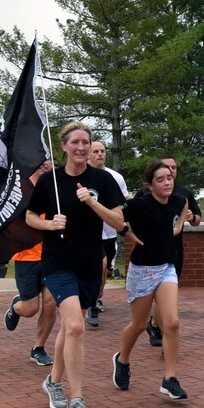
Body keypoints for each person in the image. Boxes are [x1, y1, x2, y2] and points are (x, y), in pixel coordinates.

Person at [26, 122, 124, 408]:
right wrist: (50, 225)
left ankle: (53, 381)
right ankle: (78, 400)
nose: (81, 147)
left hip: (90, 264)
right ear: (65, 146)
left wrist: (92, 202)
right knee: (75, 326)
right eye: (75, 142)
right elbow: (30, 217)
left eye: (86, 142)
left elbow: (119, 222)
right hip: (58, 262)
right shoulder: (49, 181)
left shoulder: (102, 180)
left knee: (71, 329)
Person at [112, 160, 190, 401]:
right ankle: (122, 359)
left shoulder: (177, 199)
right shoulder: (139, 205)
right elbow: (115, 216)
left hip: (166, 267)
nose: (167, 182)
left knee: (172, 323)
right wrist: (127, 232)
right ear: (150, 185)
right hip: (142, 271)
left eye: (169, 177)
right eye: (160, 179)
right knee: (137, 325)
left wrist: (177, 227)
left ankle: (170, 378)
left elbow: (185, 207)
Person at [3, 160, 58, 367]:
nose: (45, 165)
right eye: (41, 163)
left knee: (51, 303)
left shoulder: (58, 188)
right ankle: (16, 307)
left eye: (49, 163)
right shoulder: (19, 189)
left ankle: (38, 347)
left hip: (52, 256)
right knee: (30, 309)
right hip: (26, 256)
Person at [142, 154, 201, 346]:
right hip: (148, 254)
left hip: (174, 252)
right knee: (155, 299)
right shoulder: (144, 194)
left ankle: (160, 329)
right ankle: (153, 325)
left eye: (173, 169)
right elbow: (127, 220)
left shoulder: (183, 194)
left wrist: (191, 217)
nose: (170, 173)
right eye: (166, 169)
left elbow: (197, 221)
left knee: (167, 297)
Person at [86, 140, 129, 328]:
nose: (100, 154)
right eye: (95, 151)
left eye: (102, 151)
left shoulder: (115, 177)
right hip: (87, 233)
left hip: (109, 232)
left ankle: (98, 296)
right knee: (98, 265)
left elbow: (124, 203)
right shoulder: (81, 175)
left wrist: (126, 224)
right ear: (88, 154)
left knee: (105, 269)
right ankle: (91, 303)